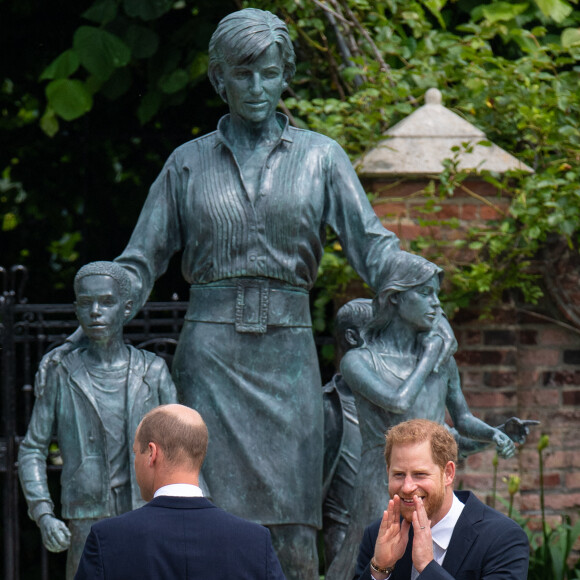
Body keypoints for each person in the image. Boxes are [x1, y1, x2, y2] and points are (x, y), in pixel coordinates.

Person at [37, 9, 456, 577]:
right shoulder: (186, 164)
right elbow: (137, 266)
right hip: (210, 359)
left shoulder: (321, 158)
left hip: (287, 357)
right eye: (242, 74)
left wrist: (421, 293)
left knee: (293, 525)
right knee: (200, 515)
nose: (256, 87)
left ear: (286, 75)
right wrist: (86, 330)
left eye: (268, 73)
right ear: (218, 79)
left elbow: (375, 249)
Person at [326, 252, 529, 580]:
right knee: (354, 565)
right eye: (425, 293)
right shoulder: (360, 361)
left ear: (450, 472)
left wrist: (494, 434)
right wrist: (431, 354)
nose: (436, 304)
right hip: (378, 483)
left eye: (436, 294)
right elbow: (398, 402)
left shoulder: (444, 362)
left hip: (426, 480)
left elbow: (460, 421)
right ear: (394, 299)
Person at [18, 262, 178, 579]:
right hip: (86, 519)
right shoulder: (62, 374)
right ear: (76, 309)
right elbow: (32, 449)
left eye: (106, 302)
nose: (95, 312)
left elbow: (181, 451)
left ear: (127, 307)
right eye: (86, 303)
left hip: (147, 514)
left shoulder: (153, 371)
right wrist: (44, 514)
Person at [75, 404, 286, 580]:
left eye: (135, 453)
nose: (135, 463)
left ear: (152, 453)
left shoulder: (108, 540)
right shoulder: (255, 542)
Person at [354, 419, 529, 579]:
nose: (407, 487)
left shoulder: (502, 538)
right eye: (398, 474)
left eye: (419, 474)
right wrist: (379, 570)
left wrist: (427, 567)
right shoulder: (378, 535)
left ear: (448, 473)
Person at [322, 298, 370, 568]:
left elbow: (440, 439)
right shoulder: (326, 405)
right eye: (377, 332)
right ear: (352, 337)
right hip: (345, 539)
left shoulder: (390, 402)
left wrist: (492, 435)